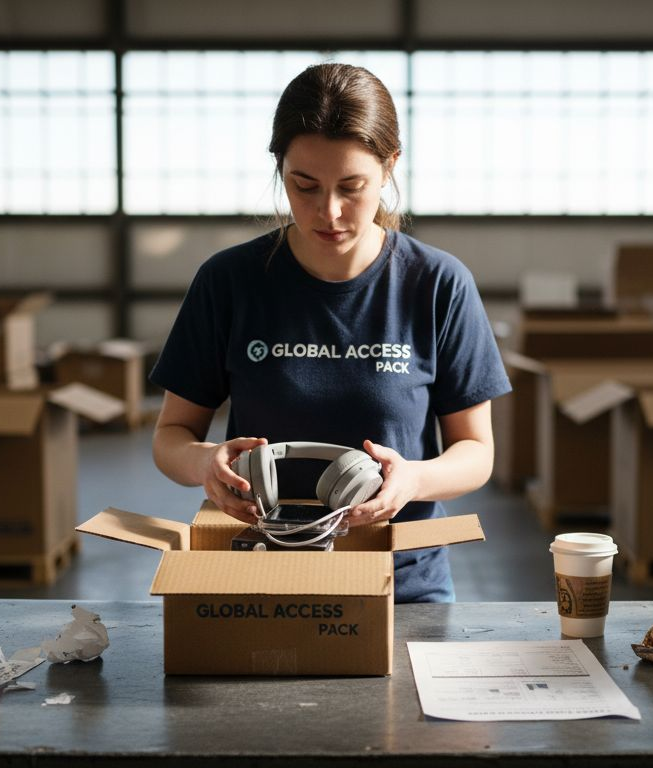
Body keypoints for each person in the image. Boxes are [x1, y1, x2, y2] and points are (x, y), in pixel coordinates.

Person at [150, 62, 510, 603]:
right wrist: (205, 462)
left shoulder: (437, 284)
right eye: (305, 186)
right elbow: (170, 436)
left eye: (351, 187)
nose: (330, 212)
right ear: (280, 169)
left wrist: (413, 479)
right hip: (261, 578)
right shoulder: (229, 282)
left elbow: (476, 451)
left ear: (390, 167)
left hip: (400, 581)